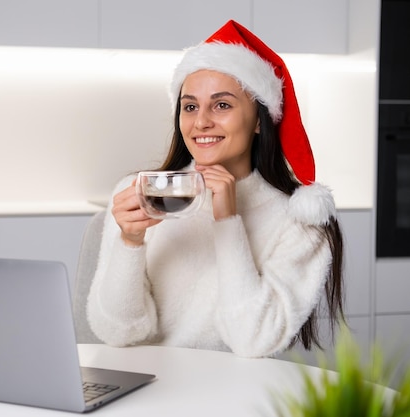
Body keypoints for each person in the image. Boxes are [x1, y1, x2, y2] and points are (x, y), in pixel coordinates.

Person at [86, 20, 345, 358]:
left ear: (257, 121)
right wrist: (130, 242)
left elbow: (253, 341)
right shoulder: (141, 194)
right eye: (190, 106)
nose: (201, 121)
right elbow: (119, 333)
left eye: (222, 105)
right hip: (144, 388)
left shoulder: (300, 223)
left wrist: (227, 219)